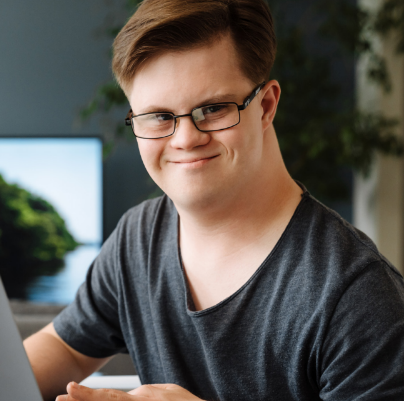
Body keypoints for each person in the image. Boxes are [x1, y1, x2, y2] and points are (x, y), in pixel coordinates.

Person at [24, 0, 404, 400]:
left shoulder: (359, 295)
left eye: (214, 108)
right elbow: (63, 346)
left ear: (266, 106)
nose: (185, 139)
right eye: (158, 116)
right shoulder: (139, 238)